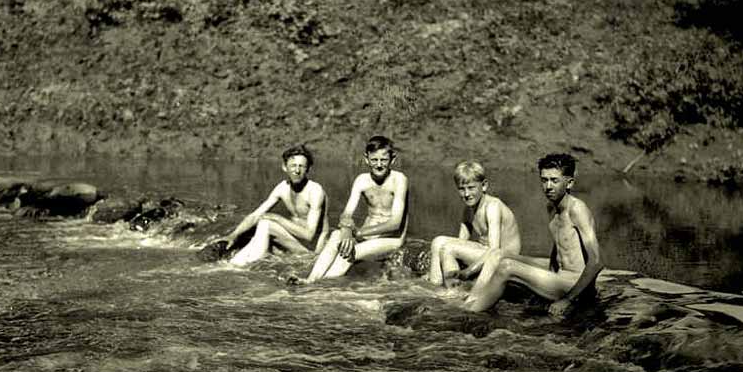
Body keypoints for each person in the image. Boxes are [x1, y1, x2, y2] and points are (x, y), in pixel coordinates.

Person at [463, 153, 603, 316]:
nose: (548, 186)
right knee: (499, 255)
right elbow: (559, 248)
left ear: (569, 182)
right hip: (559, 277)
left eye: (554, 180)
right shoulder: (552, 208)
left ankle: (469, 313)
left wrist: (568, 300)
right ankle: (473, 297)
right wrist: (545, 278)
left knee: (506, 267)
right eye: (544, 180)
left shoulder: (577, 209)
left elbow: (597, 261)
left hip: (574, 284)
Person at [300, 135, 409, 283]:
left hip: (391, 239)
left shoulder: (399, 180)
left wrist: (357, 232)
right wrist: (346, 232)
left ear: (392, 159)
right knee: (336, 236)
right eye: (374, 160)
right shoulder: (362, 180)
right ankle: (311, 280)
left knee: (349, 252)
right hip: (366, 235)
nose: (378, 165)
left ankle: (323, 284)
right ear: (366, 159)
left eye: (383, 160)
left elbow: (394, 223)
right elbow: (346, 214)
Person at [214, 144, 330, 266]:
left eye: (301, 166)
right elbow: (256, 215)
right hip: (295, 242)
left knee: (267, 224)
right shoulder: (282, 188)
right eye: (293, 166)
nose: (297, 170)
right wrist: (233, 235)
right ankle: (235, 263)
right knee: (253, 228)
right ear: (284, 167)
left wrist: (276, 217)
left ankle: (247, 263)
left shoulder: (315, 191)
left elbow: (309, 235)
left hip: (312, 250)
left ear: (308, 169)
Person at [428, 161, 521, 288]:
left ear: (484, 186)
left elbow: (494, 250)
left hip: (504, 259)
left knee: (448, 248)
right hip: (485, 253)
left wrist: (469, 271)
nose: (466, 194)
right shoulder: (468, 209)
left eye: (471, 188)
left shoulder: (492, 206)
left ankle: (452, 293)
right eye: (462, 189)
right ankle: (435, 284)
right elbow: (460, 242)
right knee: (438, 242)